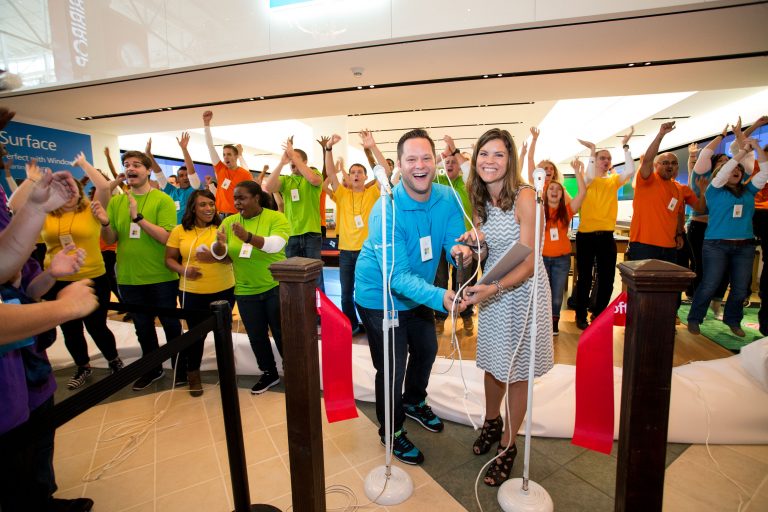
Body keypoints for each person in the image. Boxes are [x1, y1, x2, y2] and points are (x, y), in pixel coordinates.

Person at [355, 128, 471, 465]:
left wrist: (462, 252)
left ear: (435, 161)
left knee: (427, 347)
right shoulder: (385, 208)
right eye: (411, 159)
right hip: (380, 296)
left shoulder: (447, 197)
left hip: (416, 292)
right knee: (391, 366)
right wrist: (441, 297)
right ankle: (390, 432)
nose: (419, 166)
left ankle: (414, 401)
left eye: (425, 158)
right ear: (400, 166)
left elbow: (452, 244)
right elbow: (395, 277)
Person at [461, 128, 553, 487]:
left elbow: (530, 261)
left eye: (498, 154)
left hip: (523, 293)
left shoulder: (526, 196)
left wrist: (491, 288)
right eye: (484, 154)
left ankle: (508, 444)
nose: (490, 161)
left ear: (510, 159)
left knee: (517, 372)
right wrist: (471, 249)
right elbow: (489, 249)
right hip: (494, 289)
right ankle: (490, 421)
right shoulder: (479, 197)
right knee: (493, 364)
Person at [92, 150, 182, 391]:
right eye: (126, 164)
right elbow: (111, 238)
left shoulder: (162, 200)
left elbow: (166, 238)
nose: (130, 168)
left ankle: (180, 369)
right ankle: (153, 369)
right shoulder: (117, 201)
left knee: (171, 326)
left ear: (148, 170)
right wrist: (105, 223)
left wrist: (138, 218)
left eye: (136, 165)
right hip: (129, 278)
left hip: (161, 276)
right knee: (143, 328)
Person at [39, 153, 124, 390]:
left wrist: (84, 164)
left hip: (92, 277)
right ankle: (83, 366)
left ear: (77, 189)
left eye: (70, 187)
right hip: (58, 280)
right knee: (70, 329)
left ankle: (114, 360)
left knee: (97, 325)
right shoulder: (46, 215)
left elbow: (104, 186)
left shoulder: (91, 209)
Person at [212, 181, 290, 394]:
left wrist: (247, 237)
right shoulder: (228, 221)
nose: (237, 202)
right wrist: (218, 245)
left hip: (275, 287)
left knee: (283, 334)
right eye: (235, 198)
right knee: (256, 336)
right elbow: (221, 255)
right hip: (245, 290)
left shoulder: (276, 217)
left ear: (256, 198)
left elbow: (276, 244)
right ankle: (268, 373)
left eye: (242, 197)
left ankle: (293, 371)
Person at [687, 139, 768, 336]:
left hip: (744, 247)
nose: (736, 171)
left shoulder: (749, 191)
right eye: (733, 168)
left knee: (740, 289)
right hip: (716, 245)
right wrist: (740, 154)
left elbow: (765, 173)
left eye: (740, 169)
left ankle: (733, 321)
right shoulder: (714, 190)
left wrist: (756, 148)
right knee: (710, 284)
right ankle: (695, 318)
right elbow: (725, 171)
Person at [165, 190, 235, 396]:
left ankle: (227, 373)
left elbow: (231, 259)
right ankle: (193, 374)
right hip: (192, 292)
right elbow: (169, 259)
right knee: (196, 336)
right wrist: (183, 270)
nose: (209, 208)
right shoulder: (179, 231)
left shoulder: (223, 228)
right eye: (203, 205)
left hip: (224, 290)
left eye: (211, 204)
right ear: (193, 208)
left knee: (224, 334)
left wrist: (220, 248)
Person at [573, 129, 636, 329]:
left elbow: (630, 171)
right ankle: (580, 315)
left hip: (606, 237)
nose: (606, 161)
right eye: (602, 158)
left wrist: (625, 146)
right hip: (586, 236)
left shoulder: (613, 181)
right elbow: (591, 173)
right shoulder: (587, 180)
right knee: (584, 278)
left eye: (608, 158)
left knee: (607, 279)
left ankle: (598, 314)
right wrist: (592, 150)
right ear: (596, 160)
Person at [322, 134, 379, 334]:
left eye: (359, 172)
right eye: (353, 172)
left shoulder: (373, 193)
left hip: (367, 252)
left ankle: (370, 324)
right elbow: (330, 173)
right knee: (346, 293)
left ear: (365, 176)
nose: (355, 175)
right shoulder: (343, 195)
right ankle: (352, 325)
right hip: (346, 251)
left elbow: (384, 174)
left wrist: (371, 149)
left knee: (367, 292)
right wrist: (328, 149)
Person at [627, 122, 703, 262]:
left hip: (669, 246)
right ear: (656, 166)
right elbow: (648, 159)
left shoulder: (680, 189)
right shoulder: (647, 180)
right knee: (643, 284)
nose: (670, 165)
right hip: (644, 245)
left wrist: (679, 234)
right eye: (665, 162)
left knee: (666, 284)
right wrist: (660, 135)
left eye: (673, 163)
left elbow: (698, 209)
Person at [262, 137, 324, 291]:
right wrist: (282, 162)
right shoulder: (286, 180)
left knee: (315, 276)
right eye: (290, 158)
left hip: (311, 233)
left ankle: (319, 311)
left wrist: (294, 156)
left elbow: (312, 179)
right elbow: (269, 187)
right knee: (291, 276)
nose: (292, 161)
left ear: (305, 161)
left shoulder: (314, 173)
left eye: (295, 157)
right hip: (291, 234)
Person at [432, 134, 478, 336]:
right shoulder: (437, 181)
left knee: (464, 282)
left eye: (454, 162)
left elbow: (469, 169)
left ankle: (466, 316)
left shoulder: (468, 184)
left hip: (465, 242)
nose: (450, 164)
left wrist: (454, 150)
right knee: (440, 280)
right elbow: (425, 170)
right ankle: (440, 318)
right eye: (446, 162)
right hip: (440, 241)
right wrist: (441, 157)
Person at [543, 158, 586, 335]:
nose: (554, 191)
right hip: (542, 259)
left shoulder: (567, 211)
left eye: (558, 190)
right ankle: (541, 324)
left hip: (561, 260)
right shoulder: (538, 210)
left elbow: (582, 194)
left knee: (557, 296)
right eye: (551, 189)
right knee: (542, 294)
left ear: (562, 195)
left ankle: (554, 324)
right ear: (545, 193)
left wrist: (577, 172)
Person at [202, 110, 252, 216]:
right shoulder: (220, 169)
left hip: (237, 215)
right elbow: (210, 146)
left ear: (236, 156)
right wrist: (206, 124)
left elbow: (250, 197)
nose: (225, 157)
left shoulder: (245, 174)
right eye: (224, 154)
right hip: (220, 214)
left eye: (229, 154)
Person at [146, 133, 202, 223]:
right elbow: (159, 174)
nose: (185, 178)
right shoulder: (171, 191)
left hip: (192, 229)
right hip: (174, 230)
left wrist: (184, 149)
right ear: (177, 179)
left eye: (187, 175)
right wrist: (149, 155)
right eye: (181, 176)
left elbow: (191, 171)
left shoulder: (195, 189)